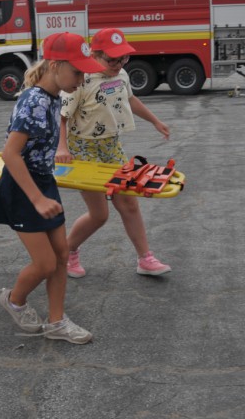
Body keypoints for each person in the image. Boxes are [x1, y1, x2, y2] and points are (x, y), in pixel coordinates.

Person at [0, 32, 104, 344]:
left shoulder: (54, 98)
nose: (81, 79)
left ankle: (56, 323)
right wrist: (37, 198)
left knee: (61, 254)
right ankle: (14, 300)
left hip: (43, 182)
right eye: (77, 72)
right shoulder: (34, 102)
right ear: (55, 65)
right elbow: (9, 154)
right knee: (44, 263)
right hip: (22, 188)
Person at [57, 28, 172, 279]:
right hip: (84, 150)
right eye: (112, 59)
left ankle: (145, 258)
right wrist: (62, 147)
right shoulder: (81, 78)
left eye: (123, 58)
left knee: (129, 203)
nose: (119, 64)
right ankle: (68, 252)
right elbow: (61, 116)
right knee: (99, 215)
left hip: (112, 147)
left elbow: (131, 100)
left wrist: (155, 121)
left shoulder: (121, 74)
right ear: (96, 54)